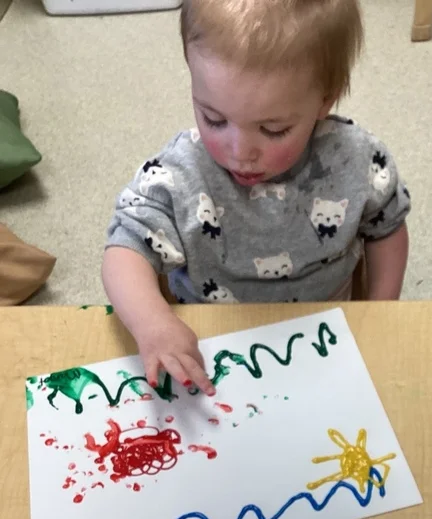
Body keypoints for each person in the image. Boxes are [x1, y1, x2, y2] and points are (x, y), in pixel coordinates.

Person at [102, 0, 411, 395]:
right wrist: (153, 323)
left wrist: (381, 314)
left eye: (273, 129)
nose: (239, 151)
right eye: (214, 119)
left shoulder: (358, 161)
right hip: (212, 348)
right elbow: (123, 250)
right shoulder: (179, 174)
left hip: (326, 338)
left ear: (324, 100)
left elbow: (388, 228)